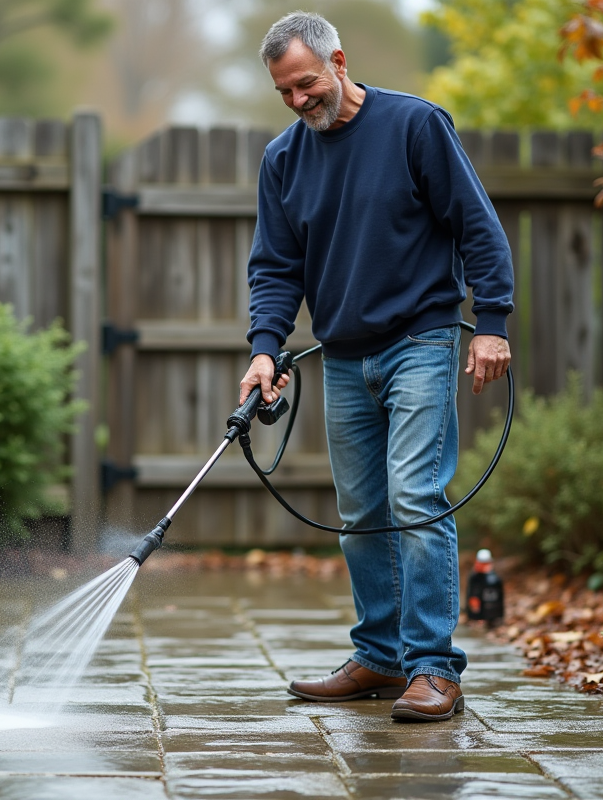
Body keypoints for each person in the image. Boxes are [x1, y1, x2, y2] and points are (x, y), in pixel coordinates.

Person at [238, 11, 514, 722]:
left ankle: (433, 669)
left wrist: (492, 323)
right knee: (362, 512)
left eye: (306, 84)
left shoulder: (415, 126)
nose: (300, 102)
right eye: (285, 94)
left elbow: (476, 225)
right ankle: (382, 657)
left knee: (415, 497)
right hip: (343, 353)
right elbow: (274, 268)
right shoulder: (284, 160)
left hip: (421, 340)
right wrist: (265, 349)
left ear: (338, 60)